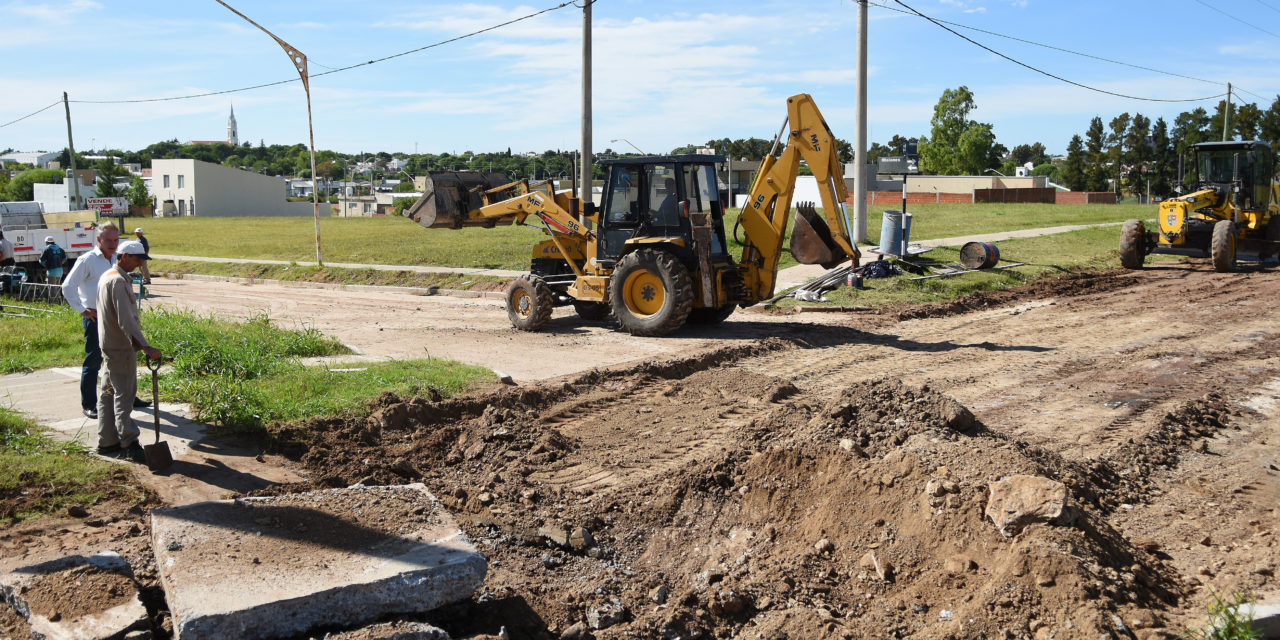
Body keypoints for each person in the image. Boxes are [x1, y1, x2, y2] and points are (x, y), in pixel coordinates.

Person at [62, 222, 149, 419]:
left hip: (116, 316)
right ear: (99, 240)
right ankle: (90, 404)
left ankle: (129, 396)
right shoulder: (88, 260)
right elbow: (67, 287)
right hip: (95, 317)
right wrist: (82, 310)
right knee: (94, 361)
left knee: (126, 357)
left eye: (115, 240)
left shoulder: (117, 259)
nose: (112, 243)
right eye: (108, 240)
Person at [95, 240, 162, 459]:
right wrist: (146, 346)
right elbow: (126, 321)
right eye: (136, 259)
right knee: (124, 395)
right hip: (121, 347)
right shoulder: (117, 281)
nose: (139, 264)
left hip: (109, 345)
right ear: (124, 256)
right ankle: (129, 443)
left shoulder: (107, 276)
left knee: (107, 393)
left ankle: (107, 441)